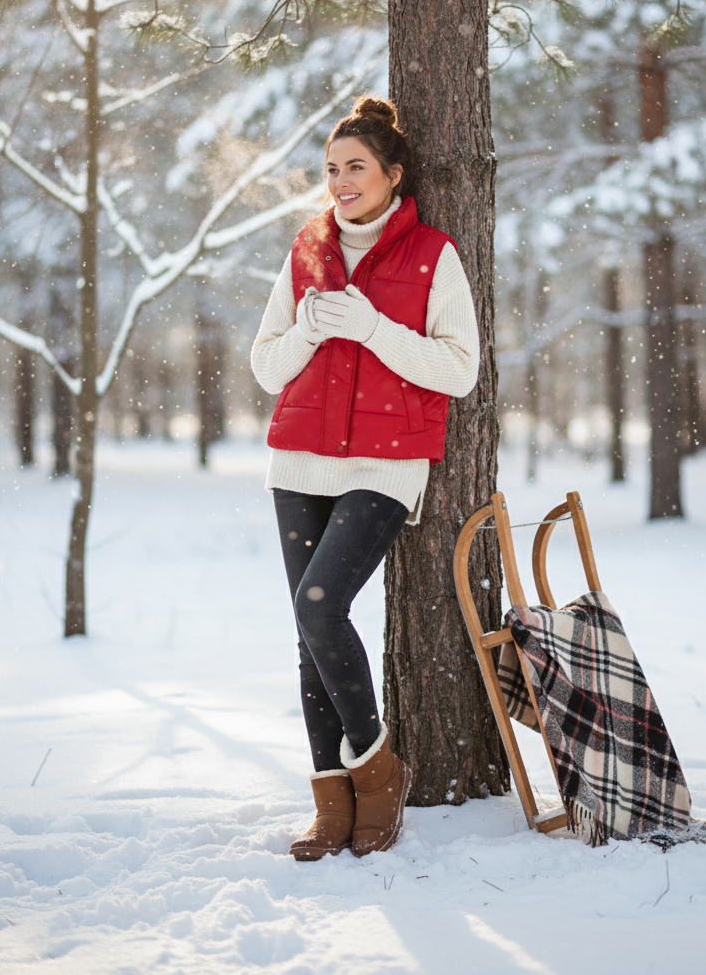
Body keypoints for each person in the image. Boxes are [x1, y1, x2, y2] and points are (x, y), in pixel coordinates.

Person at [251, 95, 479, 861]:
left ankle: (377, 772)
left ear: (393, 174)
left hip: (385, 462)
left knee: (320, 607)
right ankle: (331, 799)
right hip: (300, 459)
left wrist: (375, 329)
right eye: (331, 169)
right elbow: (266, 365)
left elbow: (460, 369)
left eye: (356, 167)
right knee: (308, 632)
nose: (341, 182)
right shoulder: (307, 250)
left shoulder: (433, 255)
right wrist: (310, 331)